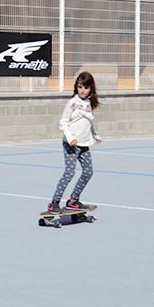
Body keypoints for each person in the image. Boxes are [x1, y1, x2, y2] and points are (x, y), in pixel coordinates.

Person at [47, 71, 101, 214]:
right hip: (71, 144)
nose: (82, 90)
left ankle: (73, 200)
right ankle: (54, 202)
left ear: (91, 89)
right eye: (80, 87)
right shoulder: (72, 103)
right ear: (76, 87)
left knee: (88, 172)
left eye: (86, 87)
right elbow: (63, 123)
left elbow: (88, 122)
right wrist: (70, 138)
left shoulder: (89, 103)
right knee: (69, 173)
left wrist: (95, 135)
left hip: (84, 144)